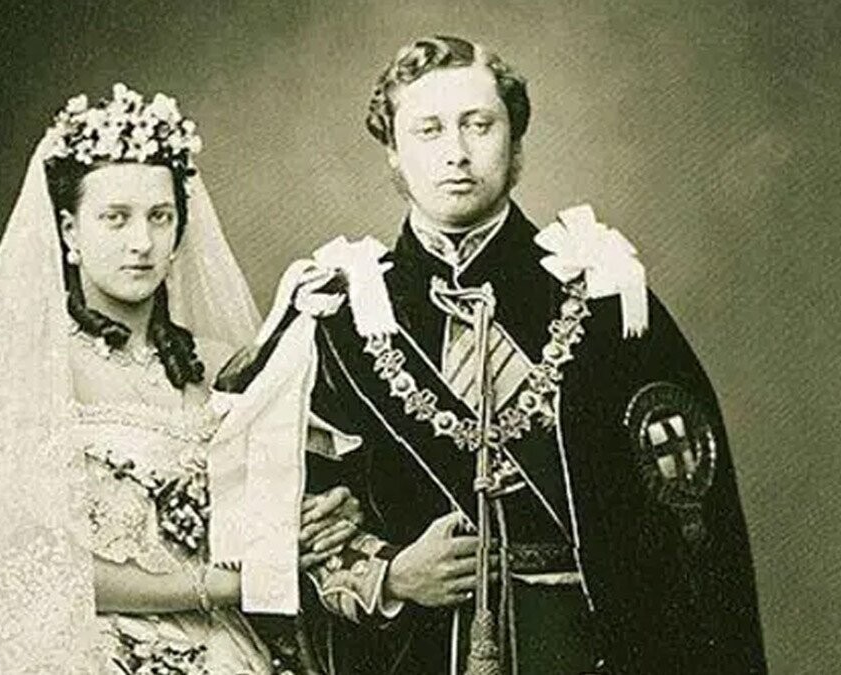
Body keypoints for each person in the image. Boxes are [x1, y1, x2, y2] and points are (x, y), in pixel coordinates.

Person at [217, 35, 766, 674]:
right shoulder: (336, 322)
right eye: (428, 130)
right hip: (415, 654)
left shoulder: (605, 299)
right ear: (393, 153)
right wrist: (390, 575)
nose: (456, 152)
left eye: (479, 125)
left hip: (590, 651)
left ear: (516, 144)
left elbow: (692, 525)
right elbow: (287, 523)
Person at [0, 83, 357, 674]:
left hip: (221, 641)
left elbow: (274, 502)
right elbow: (26, 561)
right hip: (75, 643)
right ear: (69, 233)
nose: (141, 243)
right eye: (115, 219)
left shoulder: (224, 366)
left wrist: (321, 517)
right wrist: (214, 588)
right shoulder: (34, 374)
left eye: (160, 218)